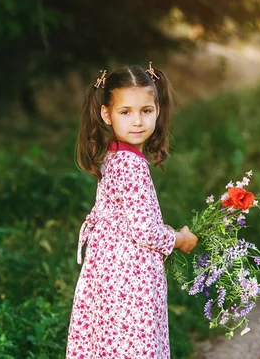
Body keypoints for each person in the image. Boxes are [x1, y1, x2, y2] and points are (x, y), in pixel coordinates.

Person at [66, 63, 199, 358]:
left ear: (157, 110)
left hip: (108, 275)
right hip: (130, 282)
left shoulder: (113, 156)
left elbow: (130, 221)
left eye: (146, 111)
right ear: (106, 114)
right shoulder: (132, 166)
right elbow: (145, 230)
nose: (137, 121)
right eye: (125, 112)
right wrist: (180, 239)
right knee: (135, 347)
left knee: (111, 346)